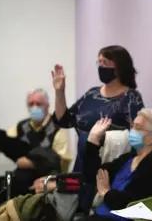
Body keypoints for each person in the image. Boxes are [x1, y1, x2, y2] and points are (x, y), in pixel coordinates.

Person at [49, 45, 145, 211]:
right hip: (82, 163)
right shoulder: (92, 94)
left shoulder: (131, 97)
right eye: (98, 62)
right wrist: (59, 92)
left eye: (105, 62)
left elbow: (137, 134)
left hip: (107, 164)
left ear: (119, 66)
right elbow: (64, 120)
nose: (101, 67)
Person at [0, 88, 71, 221]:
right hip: (21, 177)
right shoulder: (21, 127)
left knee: (8, 192)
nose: (34, 107)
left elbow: (60, 163)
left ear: (47, 106)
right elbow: (2, 146)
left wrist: (31, 162)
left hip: (43, 179)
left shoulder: (58, 129)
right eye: (31, 104)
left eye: (38, 104)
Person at [80, 108, 152, 221]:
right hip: (104, 216)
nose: (132, 131)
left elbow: (128, 203)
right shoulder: (129, 158)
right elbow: (92, 175)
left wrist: (105, 192)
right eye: (132, 126)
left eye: (138, 128)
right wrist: (93, 140)